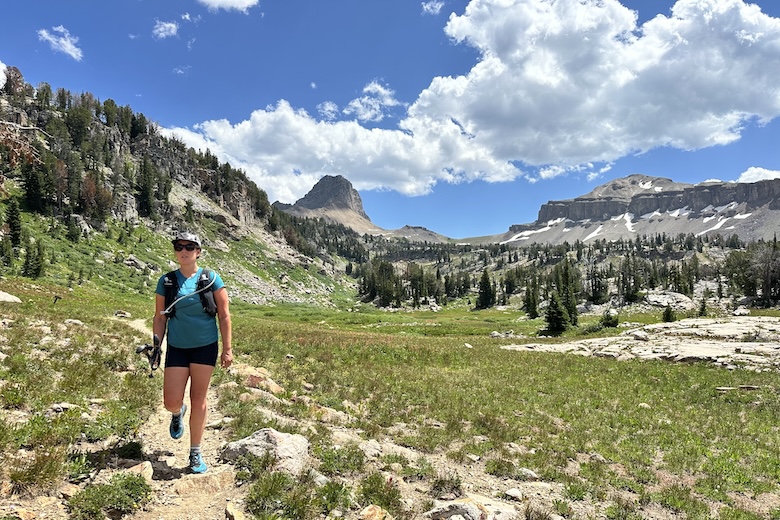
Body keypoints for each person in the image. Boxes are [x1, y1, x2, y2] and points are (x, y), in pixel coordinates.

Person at [153, 232, 232, 474]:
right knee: (170, 401)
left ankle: (195, 452)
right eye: (179, 247)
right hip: (177, 347)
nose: (184, 251)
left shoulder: (212, 278)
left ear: (198, 251)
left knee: (199, 399)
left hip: (205, 346)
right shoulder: (166, 281)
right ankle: (178, 413)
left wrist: (227, 349)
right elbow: (160, 316)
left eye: (190, 247)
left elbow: (225, 315)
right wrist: (157, 345)